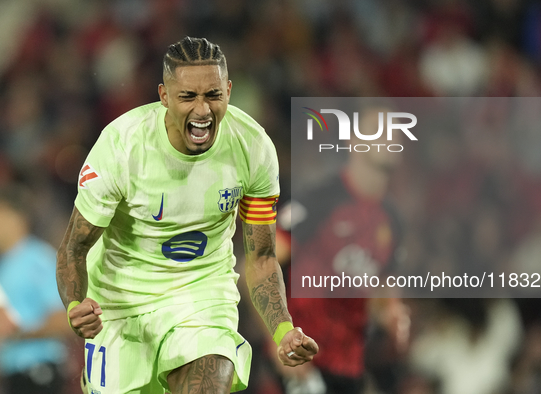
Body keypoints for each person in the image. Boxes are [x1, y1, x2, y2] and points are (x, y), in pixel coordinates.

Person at [55, 37, 318, 394]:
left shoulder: (253, 148)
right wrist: (74, 304)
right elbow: (74, 247)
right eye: (187, 97)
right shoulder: (121, 146)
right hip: (120, 305)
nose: (202, 110)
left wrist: (283, 330)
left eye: (212, 95)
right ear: (164, 96)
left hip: (202, 298)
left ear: (228, 90)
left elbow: (261, 257)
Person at [275, 107, 410, 394]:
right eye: (378, 129)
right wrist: (277, 338)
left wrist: (395, 316)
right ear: (353, 140)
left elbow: (384, 297)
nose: (390, 137)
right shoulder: (319, 199)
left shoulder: (393, 222)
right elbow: (260, 269)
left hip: (349, 366)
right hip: (300, 359)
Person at [0, 185, 71, 394]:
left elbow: (63, 319)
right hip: (12, 374)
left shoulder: (38, 259)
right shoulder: (5, 264)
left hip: (39, 370)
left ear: (16, 217)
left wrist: (18, 335)